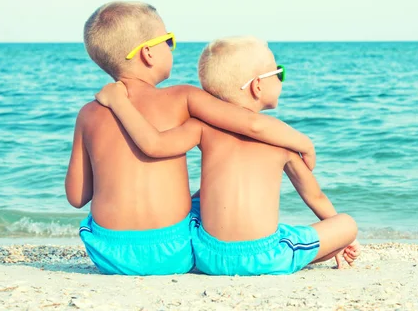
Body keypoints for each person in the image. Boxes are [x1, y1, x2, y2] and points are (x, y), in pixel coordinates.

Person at [66, 3, 316, 276]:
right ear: (148, 53)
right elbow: (253, 125)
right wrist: (304, 143)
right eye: (168, 40)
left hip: (110, 254)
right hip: (175, 252)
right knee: (207, 206)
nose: (172, 47)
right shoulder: (182, 97)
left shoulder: (88, 114)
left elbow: (77, 197)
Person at [95, 35, 361, 276]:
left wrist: (120, 104)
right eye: (279, 73)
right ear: (257, 86)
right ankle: (328, 248)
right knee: (346, 224)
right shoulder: (283, 142)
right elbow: (315, 197)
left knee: (197, 202)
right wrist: (339, 238)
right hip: (264, 256)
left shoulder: (201, 128)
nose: (281, 78)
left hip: (209, 255)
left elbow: (154, 144)